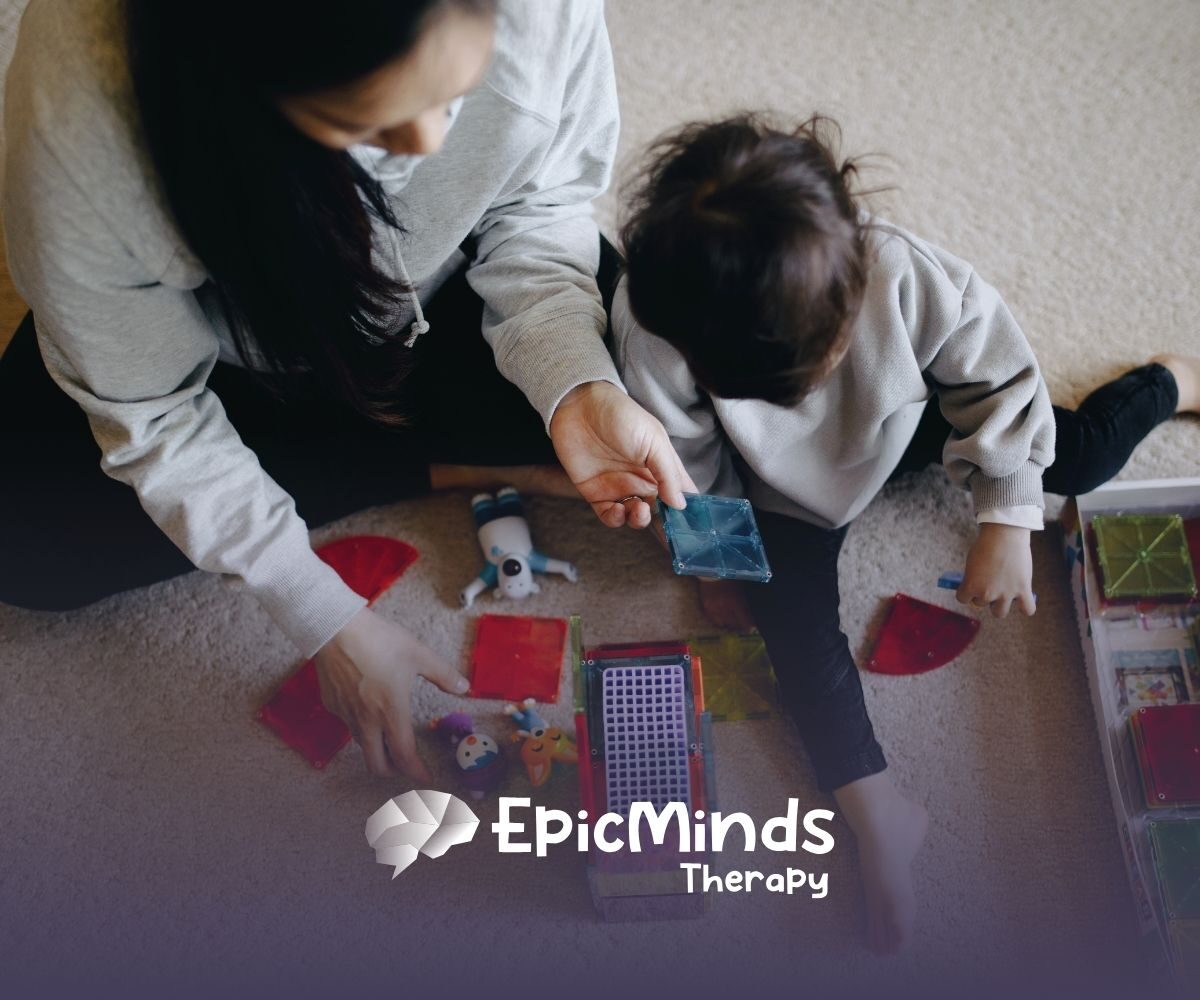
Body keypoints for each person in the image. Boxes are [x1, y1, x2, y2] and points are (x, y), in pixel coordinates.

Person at [0, 0, 692, 781]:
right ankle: (444, 464)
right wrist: (322, 615)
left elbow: (540, 202)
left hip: (442, 301)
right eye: (371, 128)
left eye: (455, 95)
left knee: (668, 374)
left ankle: (398, 455)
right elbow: (155, 414)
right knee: (22, 539)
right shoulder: (77, 138)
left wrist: (573, 382)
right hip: (235, 358)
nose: (433, 145)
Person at [611, 113, 1200, 954]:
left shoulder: (905, 272)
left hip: (912, 415)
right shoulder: (654, 325)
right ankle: (877, 810)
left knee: (1081, 458)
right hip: (785, 494)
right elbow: (691, 466)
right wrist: (716, 561)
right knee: (797, 640)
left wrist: (1005, 513)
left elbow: (1001, 384)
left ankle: (1169, 380)